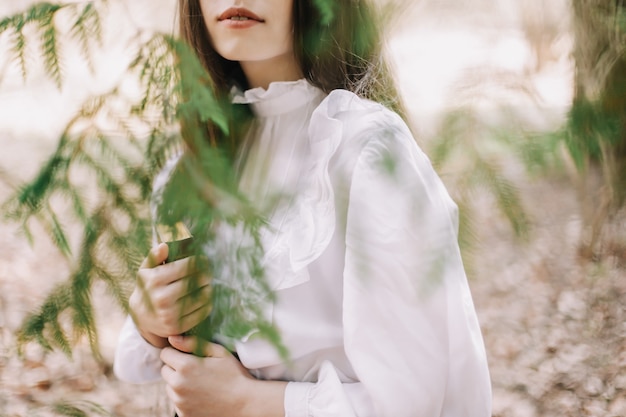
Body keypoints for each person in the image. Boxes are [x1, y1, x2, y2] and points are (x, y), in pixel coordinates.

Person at [114, 0, 493, 416]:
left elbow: (414, 400)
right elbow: (151, 366)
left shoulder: (364, 152)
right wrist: (153, 321)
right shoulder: (192, 164)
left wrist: (246, 402)